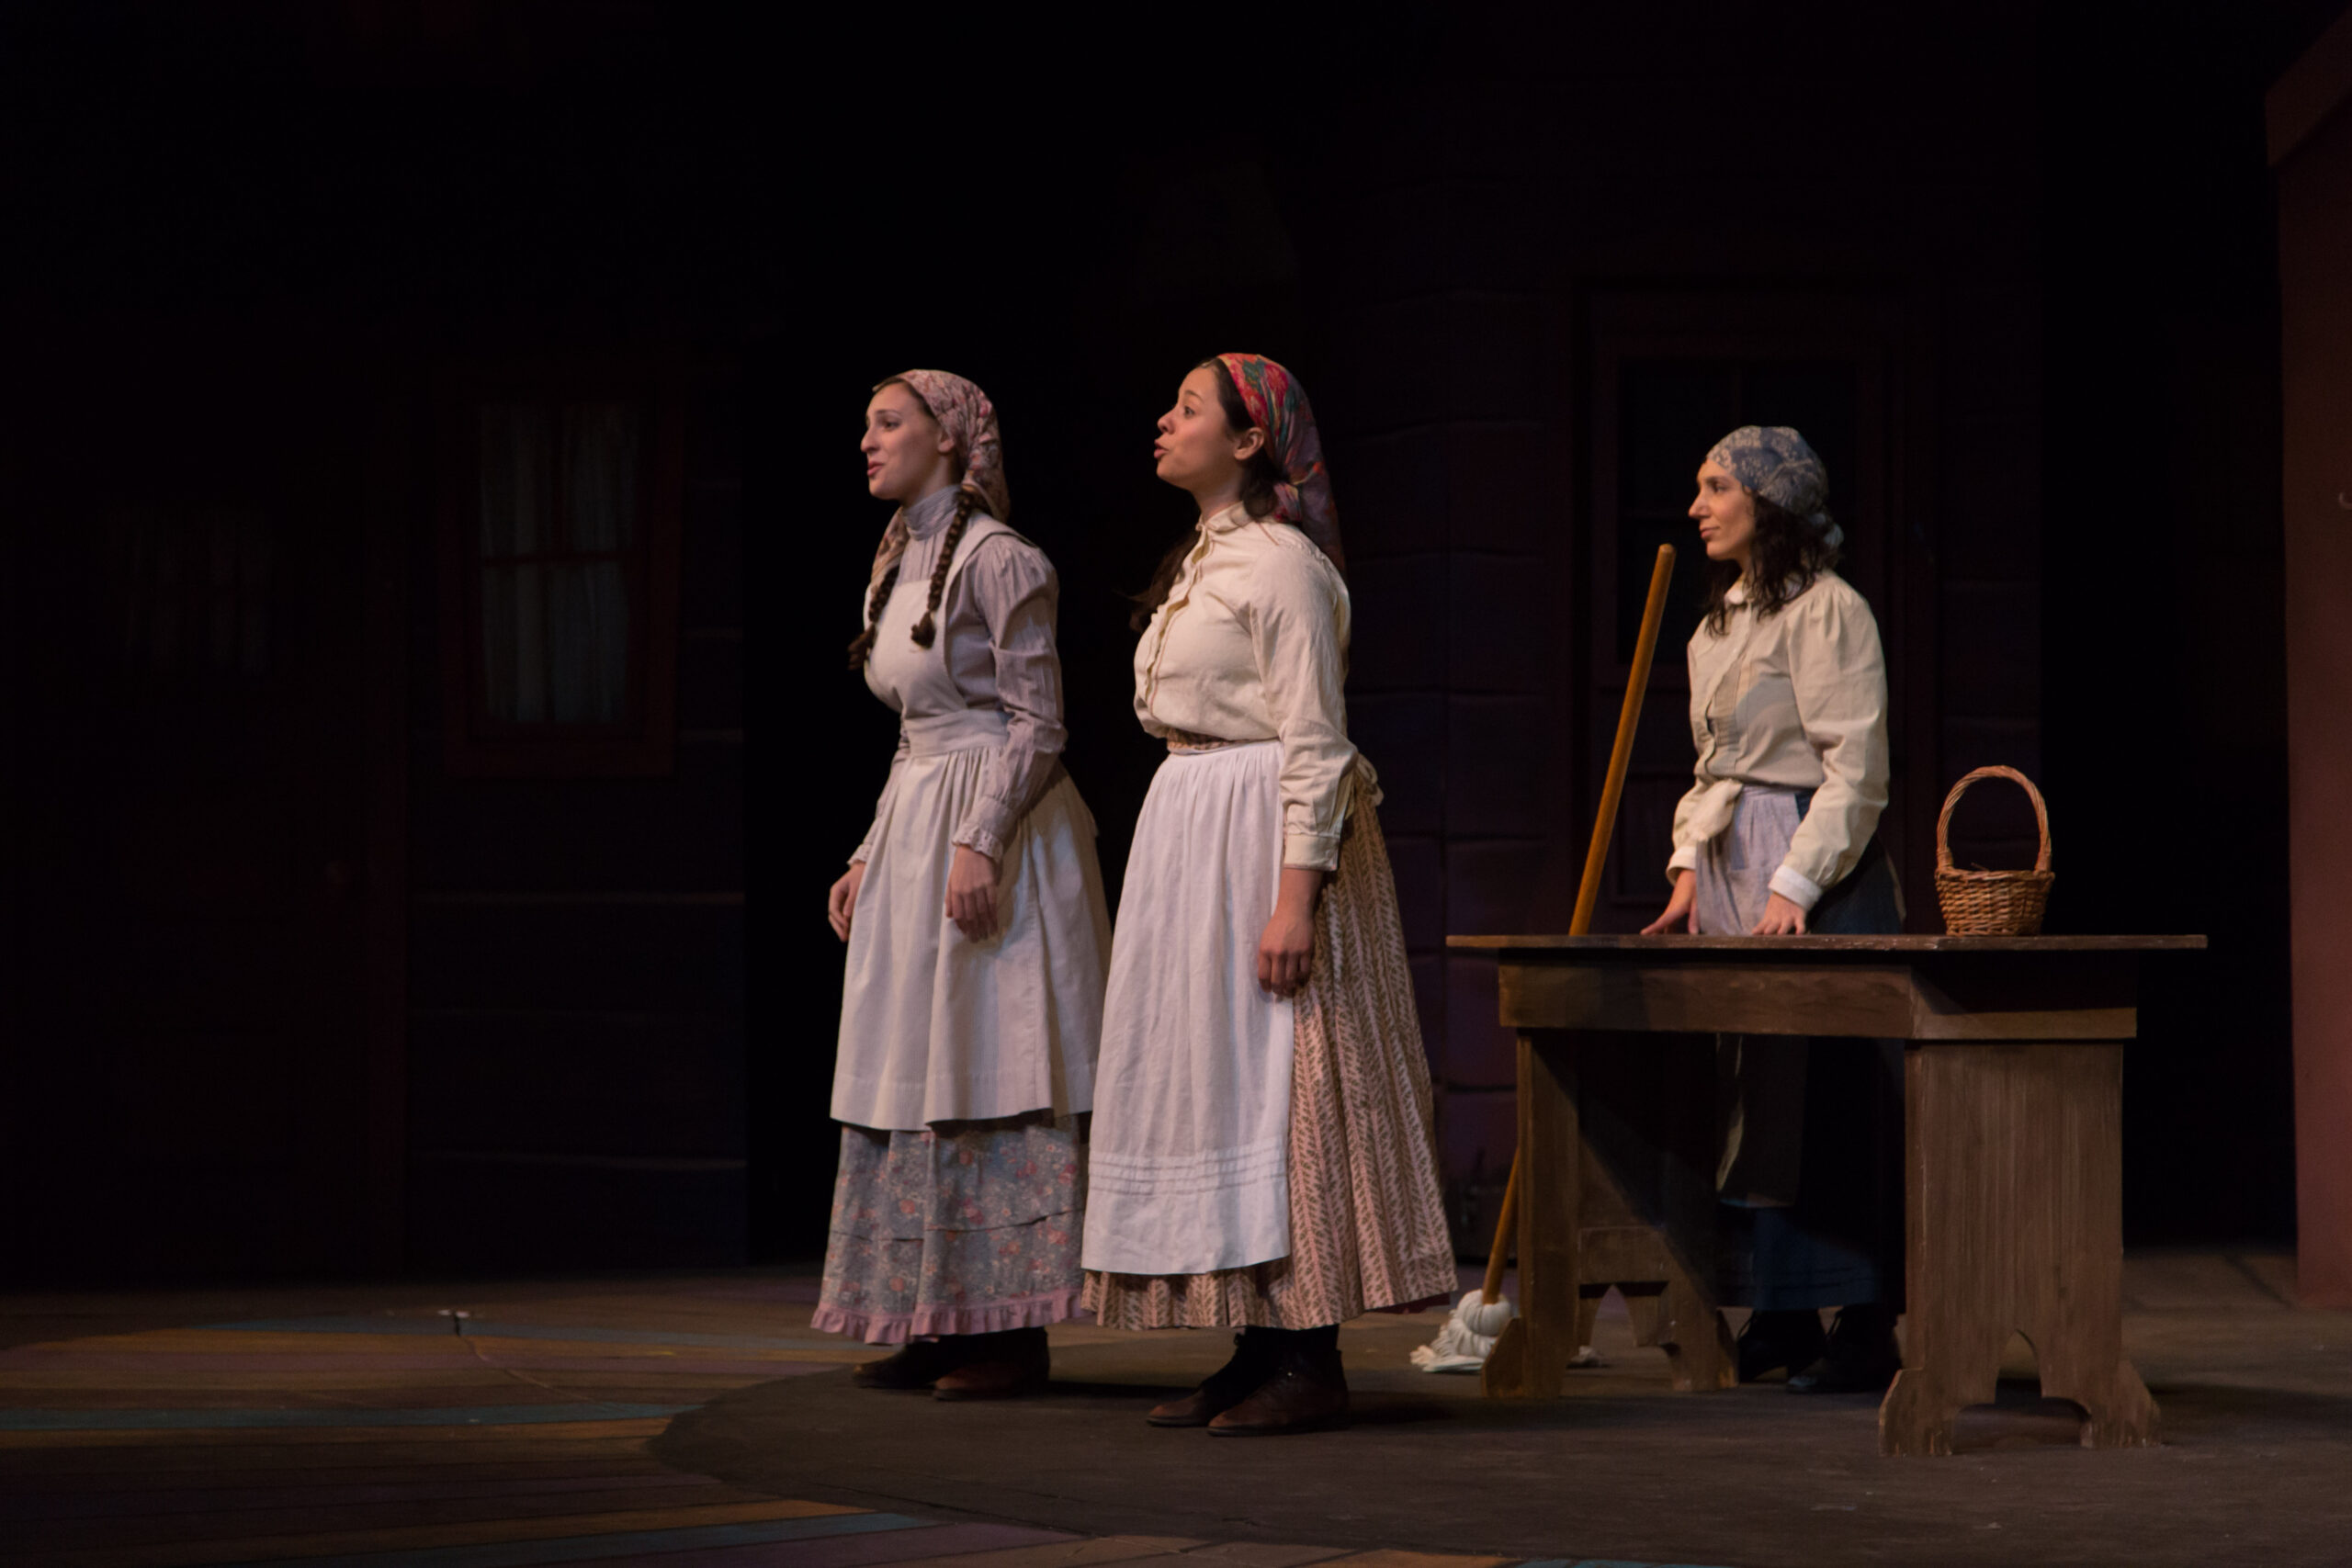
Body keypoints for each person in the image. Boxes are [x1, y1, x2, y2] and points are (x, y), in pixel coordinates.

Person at [1080, 354, 1456, 1436]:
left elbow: (1315, 743)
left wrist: (1296, 897)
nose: (1164, 418)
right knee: (1219, 1085)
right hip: (1195, 827)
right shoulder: (1205, 558)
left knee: (1285, 1086)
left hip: (1263, 834)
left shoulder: (1282, 562)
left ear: (1249, 442)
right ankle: (1254, 1345)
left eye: (1187, 407)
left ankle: (1309, 1352)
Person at [815, 369, 1112, 1401]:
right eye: (864, 425)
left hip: (1002, 826)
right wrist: (866, 850)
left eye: (886, 423)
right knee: (917, 1065)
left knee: (991, 1060)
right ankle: (935, 1315)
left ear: (948, 438)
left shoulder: (1002, 560)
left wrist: (981, 839)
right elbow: (913, 737)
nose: (867, 440)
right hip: (920, 824)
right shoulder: (894, 562)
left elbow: (1037, 723)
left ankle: (1011, 1330)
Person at [1641, 423, 1905, 1394]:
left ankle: (1865, 1324)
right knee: (1756, 1103)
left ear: (1769, 501)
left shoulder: (1828, 611)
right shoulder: (1717, 627)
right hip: (1732, 863)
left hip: (1814, 870)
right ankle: (1783, 1313)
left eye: (1715, 487)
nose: (1696, 505)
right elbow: (1714, 772)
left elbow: (1856, 766)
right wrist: (1685, 871)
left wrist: (1795, 885)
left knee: (1831, 1094)